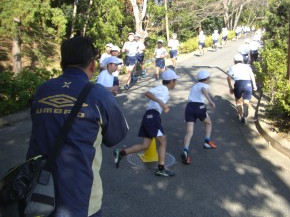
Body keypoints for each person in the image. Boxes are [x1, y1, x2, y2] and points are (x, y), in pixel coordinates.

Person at [26, 37, 128, 217]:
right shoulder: (98, 95)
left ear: (61, 64)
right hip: (82, 198)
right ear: (92, 65)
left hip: (37, 192)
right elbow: (116, 136)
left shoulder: (43, 90)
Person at [113, 69, 180, 177]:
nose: (175, 83)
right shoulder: (163, 89)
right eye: (175, 80)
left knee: (145, 145)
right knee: (163, 141)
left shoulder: (164, 90)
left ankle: (120, 153)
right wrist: (161, 102)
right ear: (171, 81)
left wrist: (162, 104)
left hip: (149, 117)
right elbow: (147, 93)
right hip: (152, 116)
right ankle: (161, 169)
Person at [181, 70, 217, 165]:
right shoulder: (203, 85)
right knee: (208, 123)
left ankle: (185, 150)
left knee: (189, 132)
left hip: (189, 107)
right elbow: (203, 90)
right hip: (199, 107)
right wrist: (210, 101)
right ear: (207, 79)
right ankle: (206, 142)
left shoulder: (194, 86)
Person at [227, 53, 257, 125]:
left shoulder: (233, 67)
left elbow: (228, 77)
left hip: (238, 84)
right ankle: (246, 106)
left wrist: (231, 87)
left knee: (238, 102)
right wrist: (254, 85)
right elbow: (252, 75)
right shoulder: (247, 66)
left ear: (234, 60)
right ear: (242, 60)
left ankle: (242, 117)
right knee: (246, 100)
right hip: (248, 83)